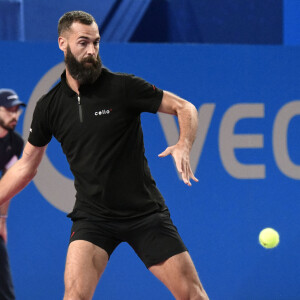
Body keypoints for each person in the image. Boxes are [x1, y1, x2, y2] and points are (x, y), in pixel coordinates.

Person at [0, 11, 209, 300]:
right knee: (74, 296)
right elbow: (25, 167)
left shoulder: (123, 87)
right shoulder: (49, 106)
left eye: (96, 43)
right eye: (83, 42)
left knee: (193, 295)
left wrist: (184, 143)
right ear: (63, 43)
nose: (91, 51)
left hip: (144, 213)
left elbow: (185, 108)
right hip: (93, 218)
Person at [0, 89, 26, 300]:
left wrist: (1, 219)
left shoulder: (15, 144)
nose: (15, 116)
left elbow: (8, 183)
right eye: (9, 110)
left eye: (17, 111)